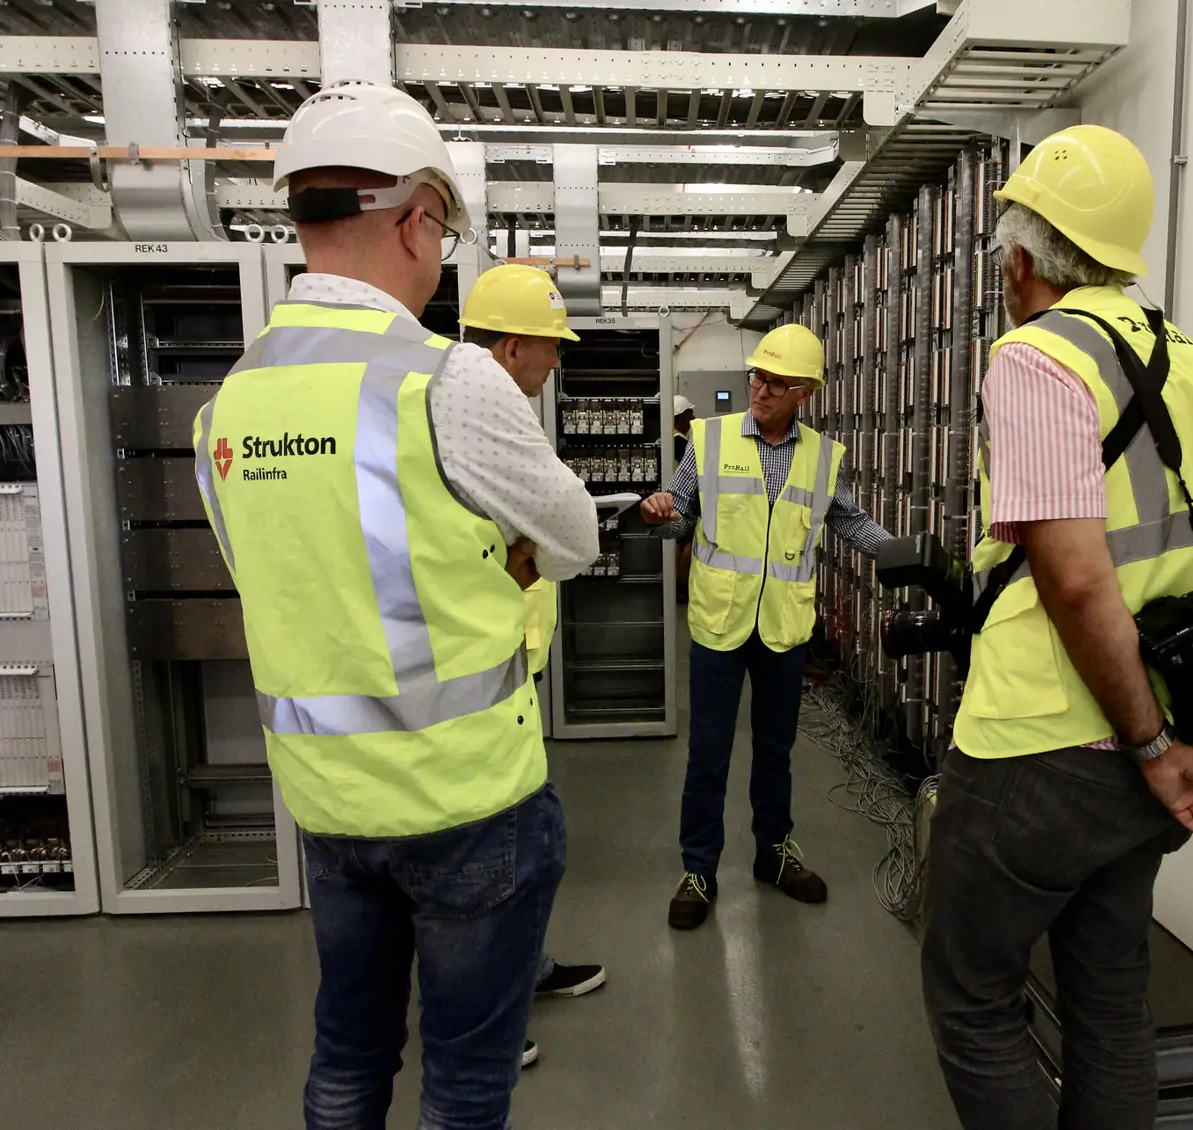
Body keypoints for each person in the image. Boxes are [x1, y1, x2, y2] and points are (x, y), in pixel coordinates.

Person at [193, 82, 598, 1129]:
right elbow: (577, 538)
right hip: (465, 801)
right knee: (465, 1079)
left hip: (329, 804)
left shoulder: (228, 404)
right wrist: (500, 551)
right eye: (445, 231)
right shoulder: (447, 383)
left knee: (347, 1055)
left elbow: (277, 578)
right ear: (418, 217)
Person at [918, 125, 1193, 1130]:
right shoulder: (1186, 360)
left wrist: (1148, 745)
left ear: (1018, 259)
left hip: (1044, 745)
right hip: (1158, 736)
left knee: (972, 991)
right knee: (1108, 998)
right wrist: (1183, 745)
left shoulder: (1038, 359)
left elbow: (1081, 582)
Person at [640, 325, 894, 930]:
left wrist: (910, 558)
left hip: (782, 628)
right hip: (719, 625)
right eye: (757, 376)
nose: (761, 388)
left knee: (776, 751)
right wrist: (661, 514)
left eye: (777, 382)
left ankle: (773, 852)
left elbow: (852, 522)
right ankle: (699, 868)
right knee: (708, 754)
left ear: (804, 392)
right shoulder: (708, 440)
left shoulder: (821, 457)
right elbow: (680, 520)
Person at [459, 262, 609, 1071]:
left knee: (517, 843)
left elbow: (544, 539)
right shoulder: (474, 412)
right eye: (550, 348)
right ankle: (491, 1016)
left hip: (509, 660)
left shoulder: (492, 407)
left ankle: (524, 972)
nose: (556, 363)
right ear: (512, 348)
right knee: (495, 851)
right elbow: (574, 533)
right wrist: (529, 555)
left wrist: (529, 554)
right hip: (472, 672)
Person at [669, 394, 696, 600]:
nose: (693, 418)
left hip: (672, 497)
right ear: (681, 417)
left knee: (679, 542)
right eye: (690, 414)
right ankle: (681, 585)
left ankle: (677, 582)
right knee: (687, 542)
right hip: (681, 498)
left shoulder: (670, 438)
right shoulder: (679, 441)